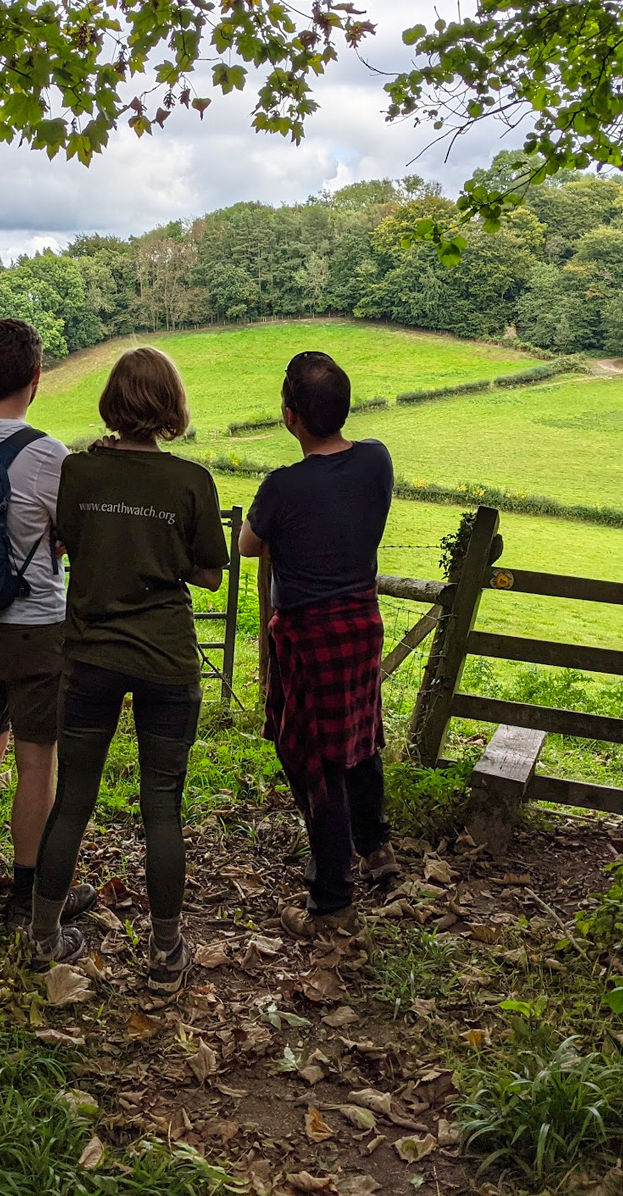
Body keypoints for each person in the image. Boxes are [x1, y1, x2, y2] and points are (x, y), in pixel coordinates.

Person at [27, 346, 229, 995]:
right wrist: (163, 555)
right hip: (167, 658)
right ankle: (166, 952)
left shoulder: (79, 473)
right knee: (162, 806)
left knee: (74, 800)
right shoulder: (192, 482)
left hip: (89, 657)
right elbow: (207, 573)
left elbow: (72, 545)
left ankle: (42, 939)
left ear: (112, 402)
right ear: (171, 407)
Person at [0, 318, 96, 927]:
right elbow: (69, 533)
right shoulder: (45, 454)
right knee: (37, 762)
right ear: (36, 378)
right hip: (34, 624)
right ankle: (26, 893)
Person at [239, 350, 397, 937]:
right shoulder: (377, 461)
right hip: (362, 622)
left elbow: (248, 547)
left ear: (289, 416)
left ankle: (331, 900)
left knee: (314, 759)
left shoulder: (281, 486)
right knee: (360, 735)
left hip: (308, 635)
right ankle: (376, 847)